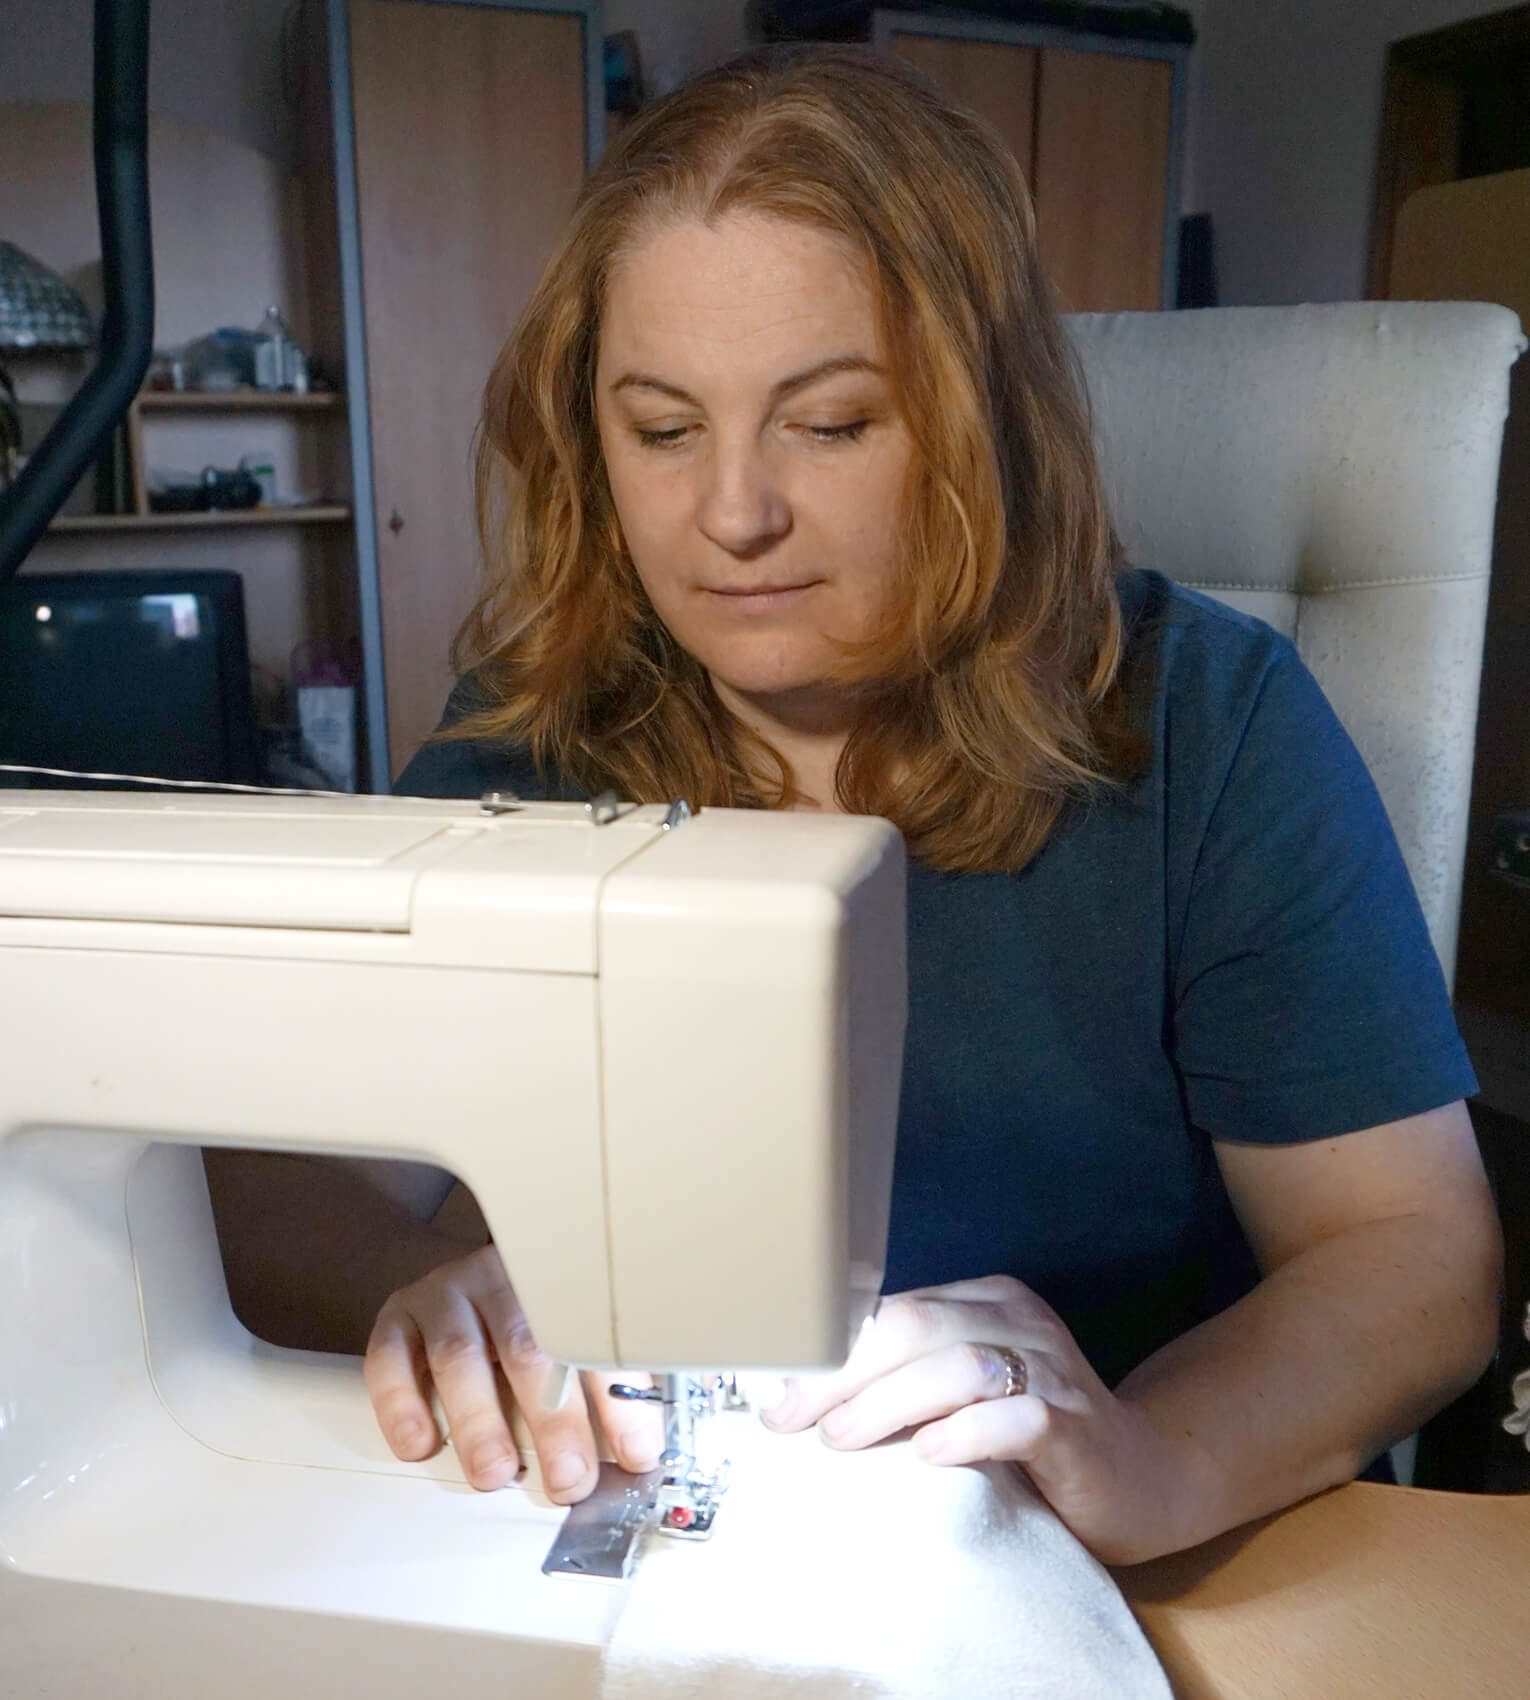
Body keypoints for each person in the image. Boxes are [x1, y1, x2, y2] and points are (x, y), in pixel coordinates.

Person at [341, 46, 1501, 1568]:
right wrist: (437, 1302)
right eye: (663, 429)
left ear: (979, 426)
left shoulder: (1208, 725)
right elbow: (280, 1184)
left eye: (830, 424)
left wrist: (1151, 1455)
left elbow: (1410, 1257)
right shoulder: (538, 727)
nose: (733, 514)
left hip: (1102, 1563)